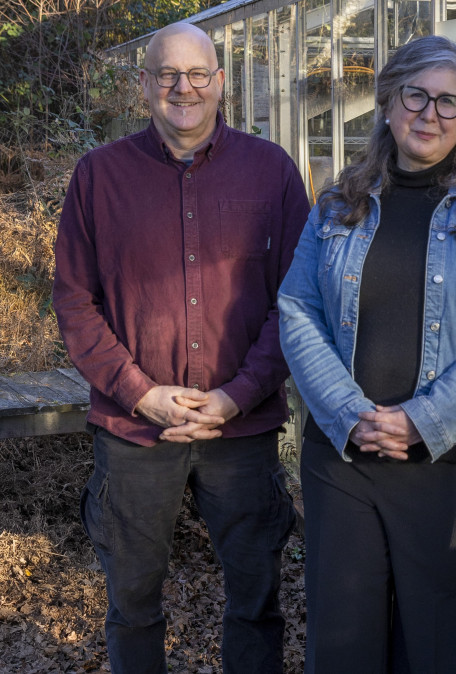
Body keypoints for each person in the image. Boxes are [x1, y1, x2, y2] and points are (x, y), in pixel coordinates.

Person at [278, 35, 456, 673]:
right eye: (415, 95)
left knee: (439, 649)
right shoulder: (339, 204)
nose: (430, 113)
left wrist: (421, 420)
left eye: (448, 102)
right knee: (342, 647)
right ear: (389, 104)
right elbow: (296, 308)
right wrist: (350, 413)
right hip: (346, 455)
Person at [52, 22, 309, 674]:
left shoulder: (271, 171)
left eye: (198, 73)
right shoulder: (98, 177)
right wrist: (143, 395)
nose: (183, 87)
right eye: (167, 74)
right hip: (133, 435)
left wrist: (235, 395)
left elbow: (299, 300)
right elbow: (76, 304)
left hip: (242, 432)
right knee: (132, 605)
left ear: (220, 81)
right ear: (145, 86)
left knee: (256, 603)